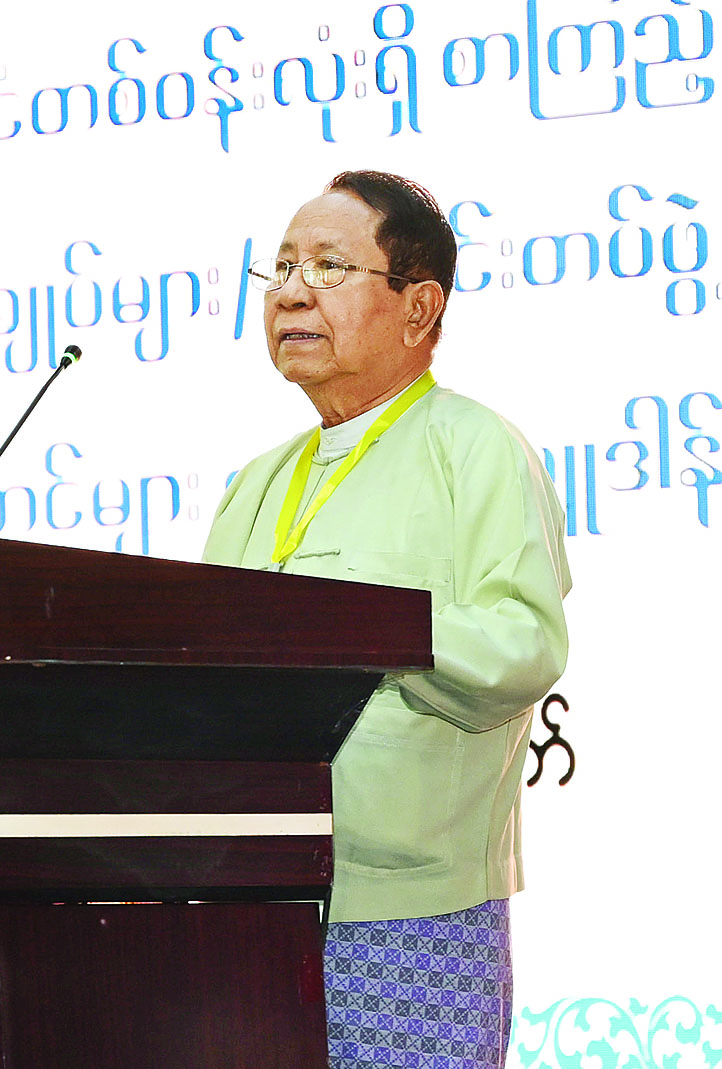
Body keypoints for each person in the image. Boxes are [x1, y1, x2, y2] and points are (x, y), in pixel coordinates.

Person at [202, 171, 571, 1069]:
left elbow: (525, 646)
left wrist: (372, 623)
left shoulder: (475, 447)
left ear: (418, 307)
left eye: (329, 267)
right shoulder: (254, 481)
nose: (292, 291)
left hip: (413, 918)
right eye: (282, 267)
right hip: (251, 902)